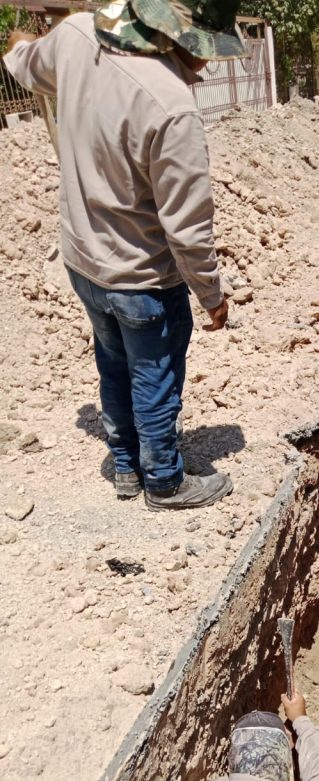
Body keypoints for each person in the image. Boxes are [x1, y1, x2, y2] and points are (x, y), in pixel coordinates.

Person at [3, 1, 243, 510]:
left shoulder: (76, 35)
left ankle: (126, 466)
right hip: (142, 279)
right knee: (154, 375)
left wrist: (20, 41)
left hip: (83, 263)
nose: (206, 62)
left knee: (112, 364)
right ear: (183, 38)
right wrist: (211, 294)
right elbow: (187, 229)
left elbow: (24, 63)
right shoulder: (170, 106)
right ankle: (164, 481)